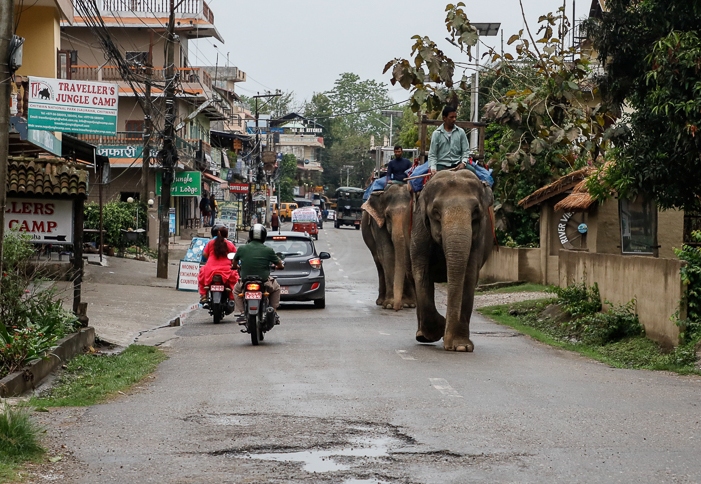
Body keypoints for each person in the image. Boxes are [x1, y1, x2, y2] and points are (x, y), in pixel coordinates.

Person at [232, 224, 284, 320]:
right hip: (264, 281)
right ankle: (273, 311)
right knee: (276, 288)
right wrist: (279, 266)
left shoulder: (242, 249)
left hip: (245, 281)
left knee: (236, 291)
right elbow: (280, 265)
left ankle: (243, 312)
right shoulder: (268, 250)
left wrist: (237, 267)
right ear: (264, 236)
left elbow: (234, 264)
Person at [198, 224, 238, 304]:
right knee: (234, 277)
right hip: (226, 270)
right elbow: (235, 257)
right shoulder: (230, 244)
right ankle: (231, 298)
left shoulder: (210, 243)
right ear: (226, 235)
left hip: (210, 269)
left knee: (201, 273)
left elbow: (205, 254)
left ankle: (204, 295)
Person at [428, 105, 470, 174]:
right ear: (444, 118)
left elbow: (465, 150)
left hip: (458, 164)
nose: (454, 119)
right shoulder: (436, 134)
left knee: (473, 173)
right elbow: (432, 154)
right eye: (451, 117)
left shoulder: (461, 132)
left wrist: (464, 163)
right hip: (441, 165)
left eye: (455, 117)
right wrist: (433, 168)